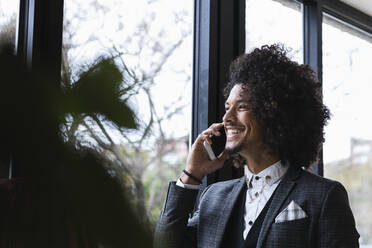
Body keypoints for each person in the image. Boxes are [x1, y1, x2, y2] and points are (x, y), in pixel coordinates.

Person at [154, 44, 359, 248]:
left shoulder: (323, 196)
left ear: (274, 113)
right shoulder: (213, 197)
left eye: (241, 107)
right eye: (227, 108)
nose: (227, 118)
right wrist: (191, 174)